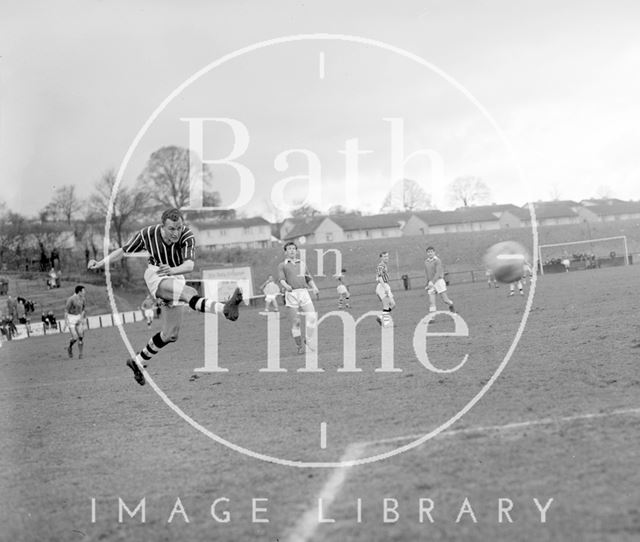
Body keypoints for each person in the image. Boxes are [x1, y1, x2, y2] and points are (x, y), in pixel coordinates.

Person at [87, 208, 243, 385]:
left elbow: (190, 265)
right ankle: (225, 309)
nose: (176, 233)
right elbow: (123, 251)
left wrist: (173, 270)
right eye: (171, 229)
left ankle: (138, 362)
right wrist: (100, 263)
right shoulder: (148, 234)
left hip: (176, 273)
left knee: (171, 334)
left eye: (179, 228)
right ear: (162, 227)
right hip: (157, 274)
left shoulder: (187, 236)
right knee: (189, 293)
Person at [277, 241, 319, 354]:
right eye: (289, 249)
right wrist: (286, 286)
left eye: (293, 248)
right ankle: (299, 346)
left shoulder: (302, 263)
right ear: (285, 252)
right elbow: (281, 279)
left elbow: (308, 278)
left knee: (312, 317)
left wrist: (314, 287)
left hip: (304, 292)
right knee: (296, 322)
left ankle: (308, 340)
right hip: (291, 294)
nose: (291, 250)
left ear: (296, 251)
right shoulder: (282, 265)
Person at [424, 246, 455, 313]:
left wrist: (432, 281)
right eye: (428, 252)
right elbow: (427, 273)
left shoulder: (437, 261)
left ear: (434, 252)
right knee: (431, 302)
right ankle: (432, 317)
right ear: (427, 253)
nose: (430, 253)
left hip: (438, 282)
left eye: (431, 252)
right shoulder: (426, 262)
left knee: (445, 300)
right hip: (431, 283)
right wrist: (427, 283)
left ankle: (451, 305)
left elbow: (438, 273)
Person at [65, 285, 87, 359]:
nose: (85, 292)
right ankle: (69, 347)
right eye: (84, 291)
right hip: (71, 318)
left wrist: (81, 318)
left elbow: (84, 309)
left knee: (81, 336)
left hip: (78, 317)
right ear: (79, 292)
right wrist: (66, 321)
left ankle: (81, 354)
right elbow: (66, 310)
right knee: (75, 337)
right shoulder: (71, 299)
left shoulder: (83, 299)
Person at [375, 251, 395, 327]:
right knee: (386, 305)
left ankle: (380, 317)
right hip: (382, 286)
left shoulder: (384, 265)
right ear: (381, 258)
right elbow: (379, 277)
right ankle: (386, 324)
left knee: (393, 304)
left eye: (387, 256)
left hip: (385, 285)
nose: (386, 258)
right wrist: (384, 287)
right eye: (384, 256)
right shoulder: (381, 266)